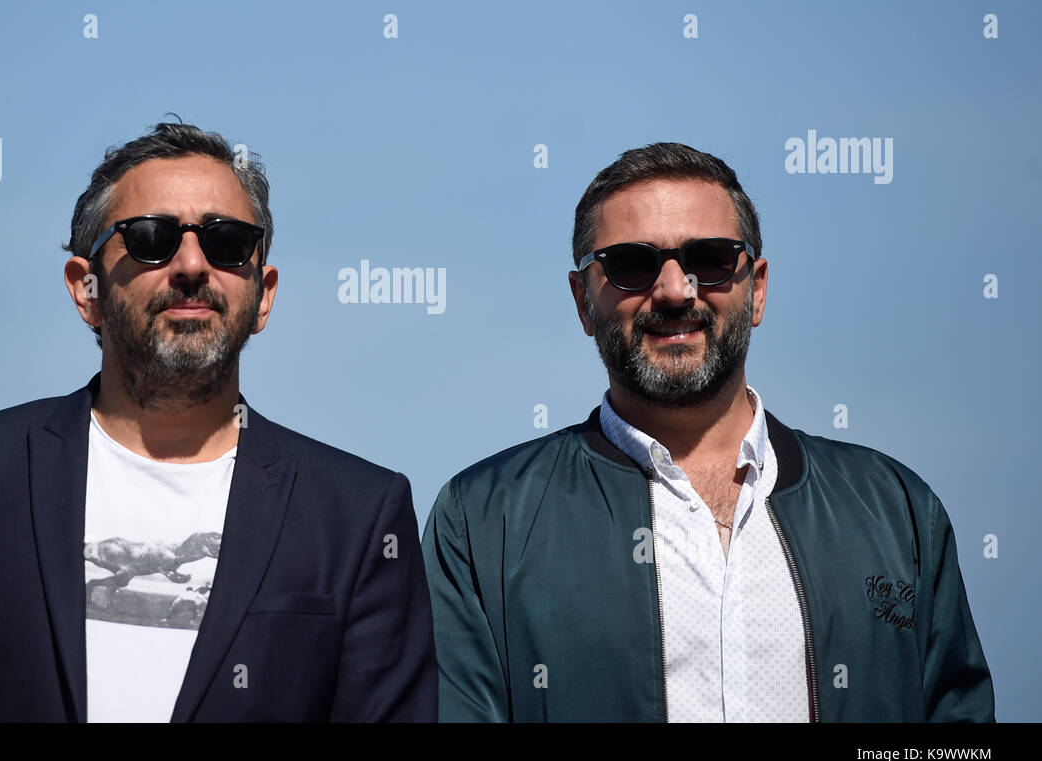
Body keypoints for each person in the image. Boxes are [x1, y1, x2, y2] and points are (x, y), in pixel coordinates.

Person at [0, 119, 436, 722]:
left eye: (227, 242)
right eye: (151, 237)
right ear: (84, 286)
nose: (193, 264)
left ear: (265, 294)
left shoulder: (358, 514)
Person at [421, 142, 993, 722]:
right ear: (582, 302)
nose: (675, 289)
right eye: (631, 264)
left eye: (712, 258)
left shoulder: (895, 510)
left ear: (759, 287)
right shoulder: (482, 521)